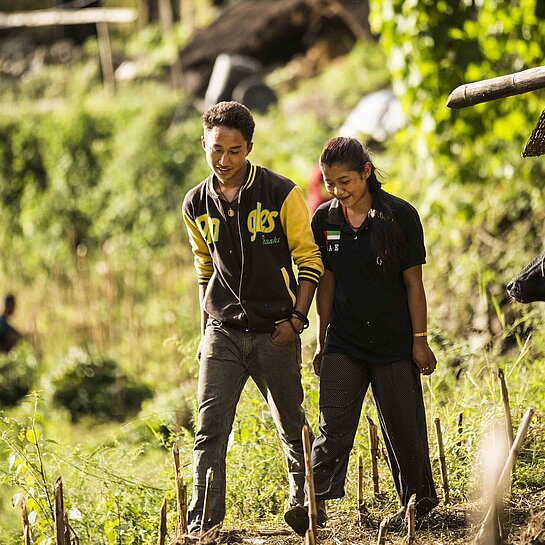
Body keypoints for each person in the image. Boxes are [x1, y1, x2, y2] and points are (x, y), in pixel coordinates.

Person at [181, 101, 324, 535]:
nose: (224, 160)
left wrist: (297, 319)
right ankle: (202, 526)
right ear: (203, 143)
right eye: (216, 149)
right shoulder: (195, 204)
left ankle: (306, 508)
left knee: (291, 424)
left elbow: (309, 259)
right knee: (208, 430)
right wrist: (205, 331)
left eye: (235, 151)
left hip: (274, 333)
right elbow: (203, 270)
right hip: (222, 333)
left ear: (250, 149)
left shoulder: (281, 193)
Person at [306, 136, 438, 533]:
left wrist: (420, 340)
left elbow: (414, 284)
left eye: (345, 181)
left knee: (404, 427)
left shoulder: (399, 216)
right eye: (330, 183)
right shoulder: (325, 220)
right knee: (333, 426)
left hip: (394, 342)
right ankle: (312, 505)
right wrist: (321, 341)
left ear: (366, 172)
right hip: (344, 341)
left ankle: (419, 506)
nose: (337, 191)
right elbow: (326, 284)